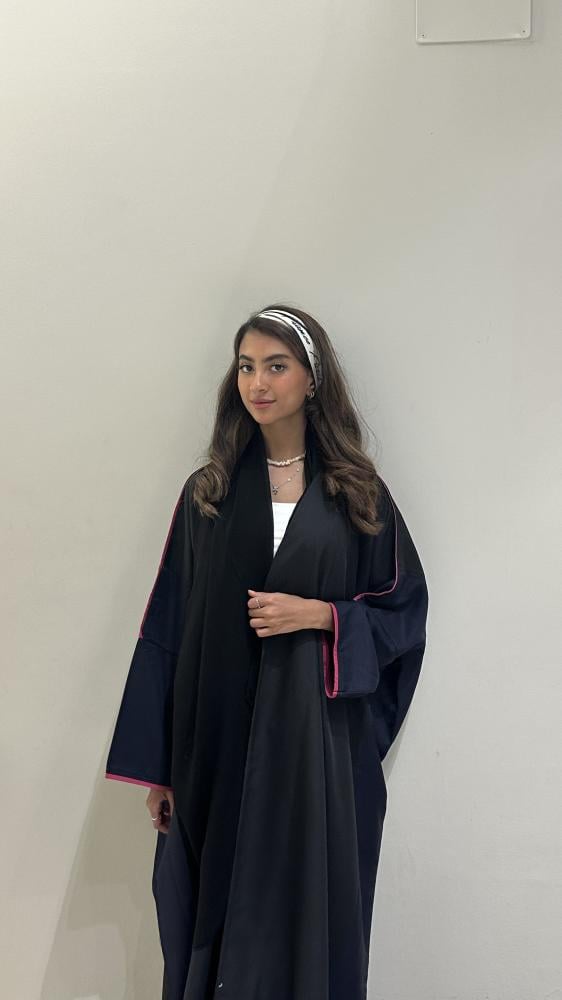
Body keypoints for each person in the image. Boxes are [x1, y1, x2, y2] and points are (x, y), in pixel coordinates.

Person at [105, 303, 429, 1000]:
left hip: (314, 747)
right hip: (217, 740)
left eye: (276, 366)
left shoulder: (355, 496)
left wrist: (322, 616)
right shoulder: (210, 493)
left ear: (312, 379)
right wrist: (160, 766)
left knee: (307, 903)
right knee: (217, 904)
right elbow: (169, 627)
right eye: (247, 366)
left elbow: (404, 614)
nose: (258, 383)